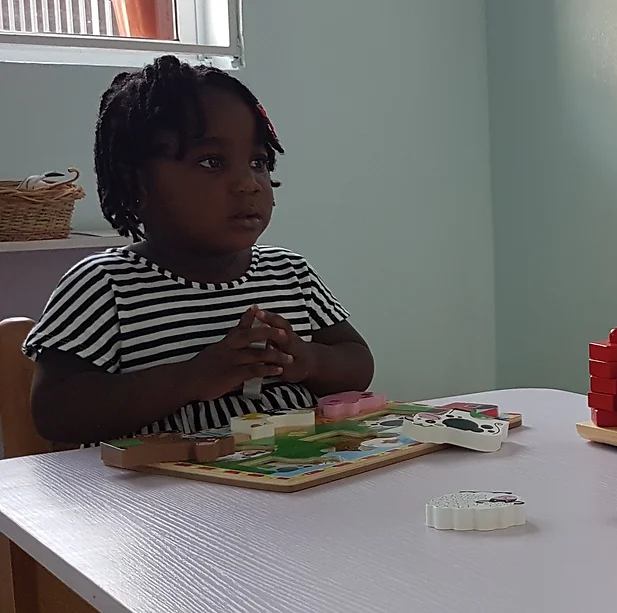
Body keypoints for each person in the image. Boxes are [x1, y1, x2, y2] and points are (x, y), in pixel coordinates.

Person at [24, 56, 375, 445]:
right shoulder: (105, 286)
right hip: (160, 483)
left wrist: (306, 359)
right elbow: (55, 414)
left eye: (258, 161)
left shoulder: (289, 273)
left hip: (296, 472)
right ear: (137, 183)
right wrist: (191, 378)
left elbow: (358, 364)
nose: (248, 183)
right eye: (212, 162)